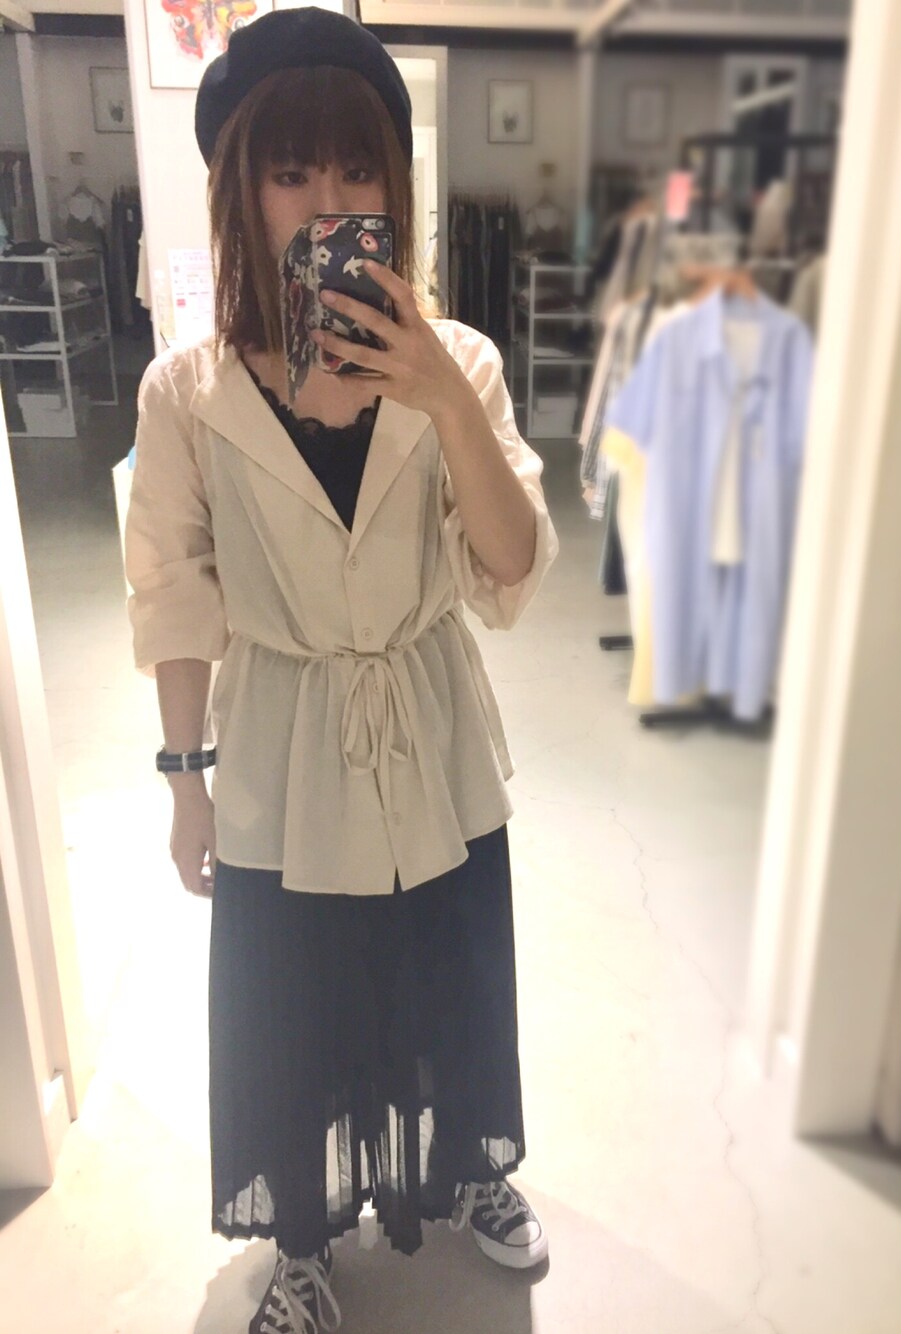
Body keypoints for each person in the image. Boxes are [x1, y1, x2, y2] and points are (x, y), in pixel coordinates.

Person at [123, 10, 559, 1333]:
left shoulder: (461, 364)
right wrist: (186, 781)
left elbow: (512, 566)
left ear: (394, 190)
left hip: (430, 720)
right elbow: (174, 593)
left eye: (357, 169)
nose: (327, 202)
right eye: (291, 170)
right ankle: (303, 1243)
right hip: (282, 738)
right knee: (293, 1001)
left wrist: (442, 396)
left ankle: (468, 1168)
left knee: (450, 967)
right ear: (240, 190)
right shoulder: (185, 393)